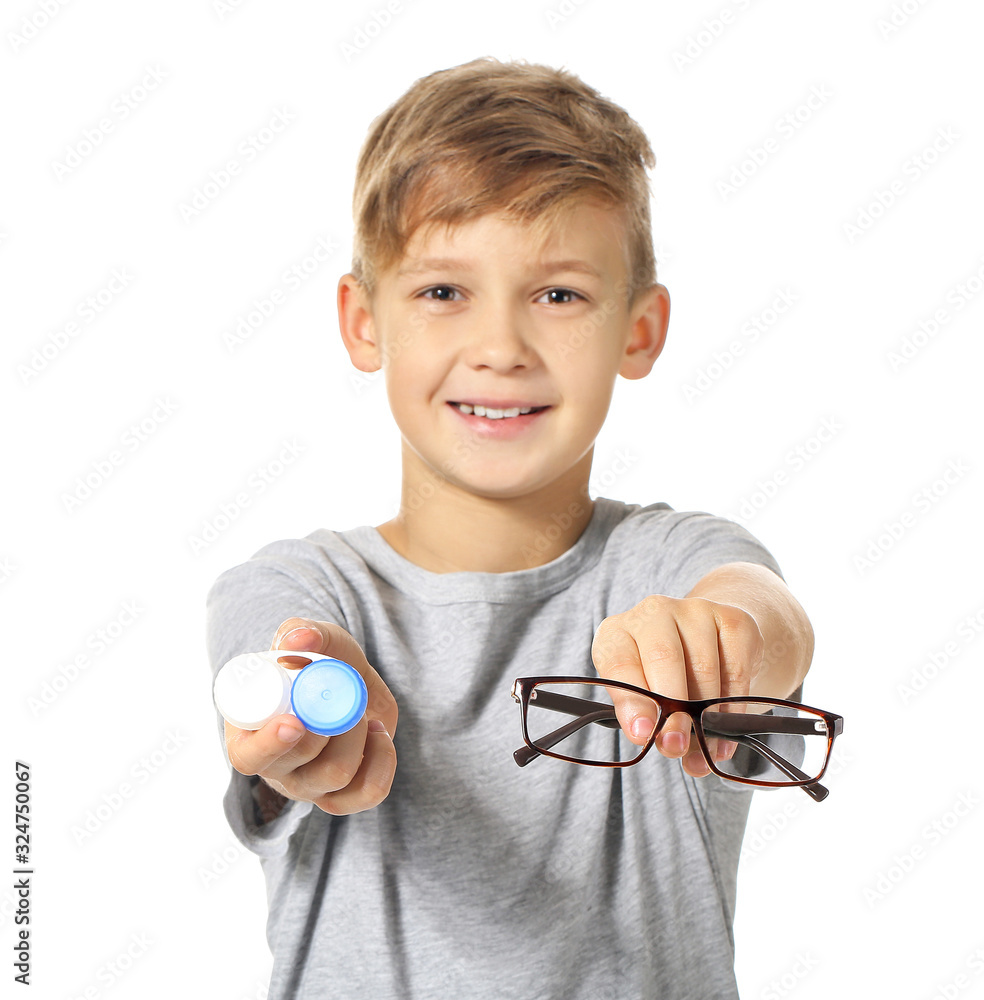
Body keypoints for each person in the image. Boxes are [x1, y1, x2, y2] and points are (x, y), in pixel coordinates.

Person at [206, 55, 815, 1000]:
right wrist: (305, 717)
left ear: (638, 331)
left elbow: (766, 616)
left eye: (559, 294)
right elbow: (274, 668)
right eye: (443, 291)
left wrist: (722, 637)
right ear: (364, 322)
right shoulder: (298, 588)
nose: (500, 348)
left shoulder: (673, 563)